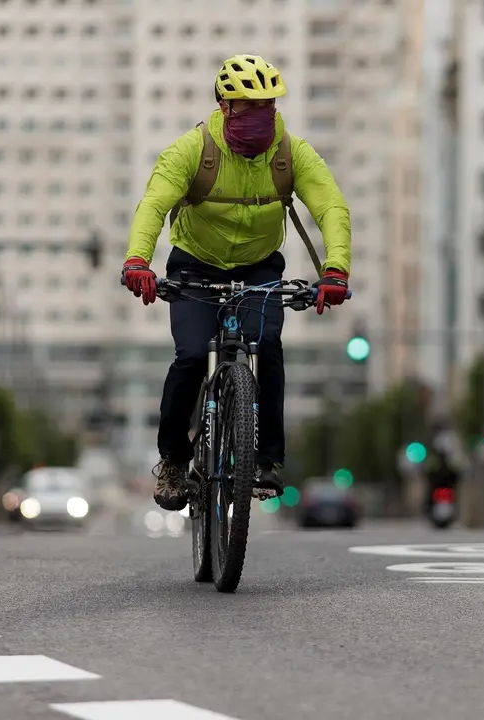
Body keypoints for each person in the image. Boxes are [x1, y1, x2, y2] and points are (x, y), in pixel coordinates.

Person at [122, 55, 352, 512]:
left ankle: (267, 461)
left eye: (268, 107)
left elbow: (331, 207)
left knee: (267, 346)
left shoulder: (292, 154)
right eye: (249, 108)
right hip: (195, 267)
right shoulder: (191, 150)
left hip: (258, 268)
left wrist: (336, 269)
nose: (261, 118)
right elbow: (152, 205)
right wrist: (138, 260)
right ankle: (172, 460)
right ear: (225, 108)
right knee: (189, 356)